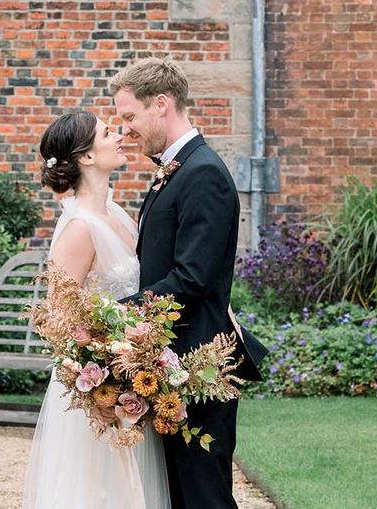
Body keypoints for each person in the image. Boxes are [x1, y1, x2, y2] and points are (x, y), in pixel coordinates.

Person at [110, 57, 267, 509]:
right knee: (180, 495)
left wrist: (119, 311)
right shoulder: (175, 171)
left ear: (161, 104)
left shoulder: (203, 175)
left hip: (200, 364)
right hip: (173, 361)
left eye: (129, 117)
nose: (126, 130)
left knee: (204, 497)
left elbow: (192, 278)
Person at [22, 111, 171, 509]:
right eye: (108, 133)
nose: (120, 135)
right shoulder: (79, 228)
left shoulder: (117, 213)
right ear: (86, 157)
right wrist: (100, 376)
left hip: (129, 375)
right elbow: (58, 319)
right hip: (95, 388)